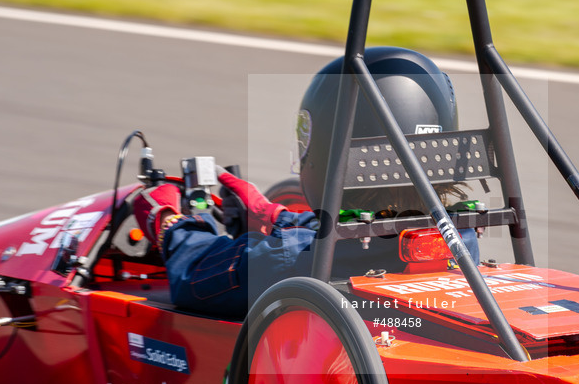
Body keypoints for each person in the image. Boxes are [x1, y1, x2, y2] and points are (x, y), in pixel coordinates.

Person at [133, 47, 479, 316]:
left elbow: (194, 276)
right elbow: (373, 233)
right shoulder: (460, 239)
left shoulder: (291, 261)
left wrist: (169, 222)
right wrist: (277, 217)